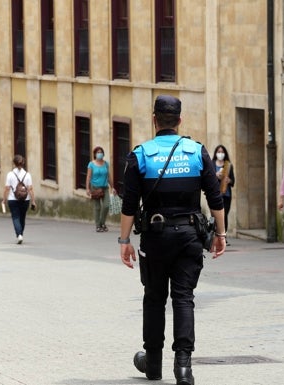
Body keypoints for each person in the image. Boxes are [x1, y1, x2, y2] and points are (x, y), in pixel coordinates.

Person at [119, 95, 226, 385]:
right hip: (190, 237)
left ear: (154, 119)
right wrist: (220, 234)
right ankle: (183, 368)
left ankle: (152, 363)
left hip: (155, 238)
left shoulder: (140, 155)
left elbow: (129, 205)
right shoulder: (196, 152)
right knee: (184, 299)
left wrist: (124, 241)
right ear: (179, 120)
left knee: (154, 298)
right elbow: (215, 198)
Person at [2, 155, 36, 244]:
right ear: (23, 163)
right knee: (22, 217)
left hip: (13, 199)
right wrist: (33, 200)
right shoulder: (27, 175)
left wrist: (4, 200)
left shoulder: (10, 174)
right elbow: (30, 189)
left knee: (15, 217)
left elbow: (7, 188)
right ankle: (21, 233)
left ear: (14, 164)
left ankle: (19, 235)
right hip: (25, 199)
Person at [86, 146, 116, 232]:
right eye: (98, 152)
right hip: (95, 188)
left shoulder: (106, 164)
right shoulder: (91, 164)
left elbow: (109, 176)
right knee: (97, 207)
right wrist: (87, 189)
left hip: (105, 188)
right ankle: (98, 225)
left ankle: (102, 223)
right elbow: (88, 177)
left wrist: (113, 187)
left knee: (106, 205)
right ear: (95, 154)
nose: (100, 154)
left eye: (101, 152)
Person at [213, 145, 235, 245]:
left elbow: (233, 181)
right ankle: (215, 236)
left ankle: (223, 236)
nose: (220, 154)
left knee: (224, 215)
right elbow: (208, 179)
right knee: (215, 216)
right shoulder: (212, 164)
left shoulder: (228, 165)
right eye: (218, 151)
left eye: (222, 152)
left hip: (226, 194)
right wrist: (215, 175)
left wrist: (228, 180)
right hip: (215, 194)